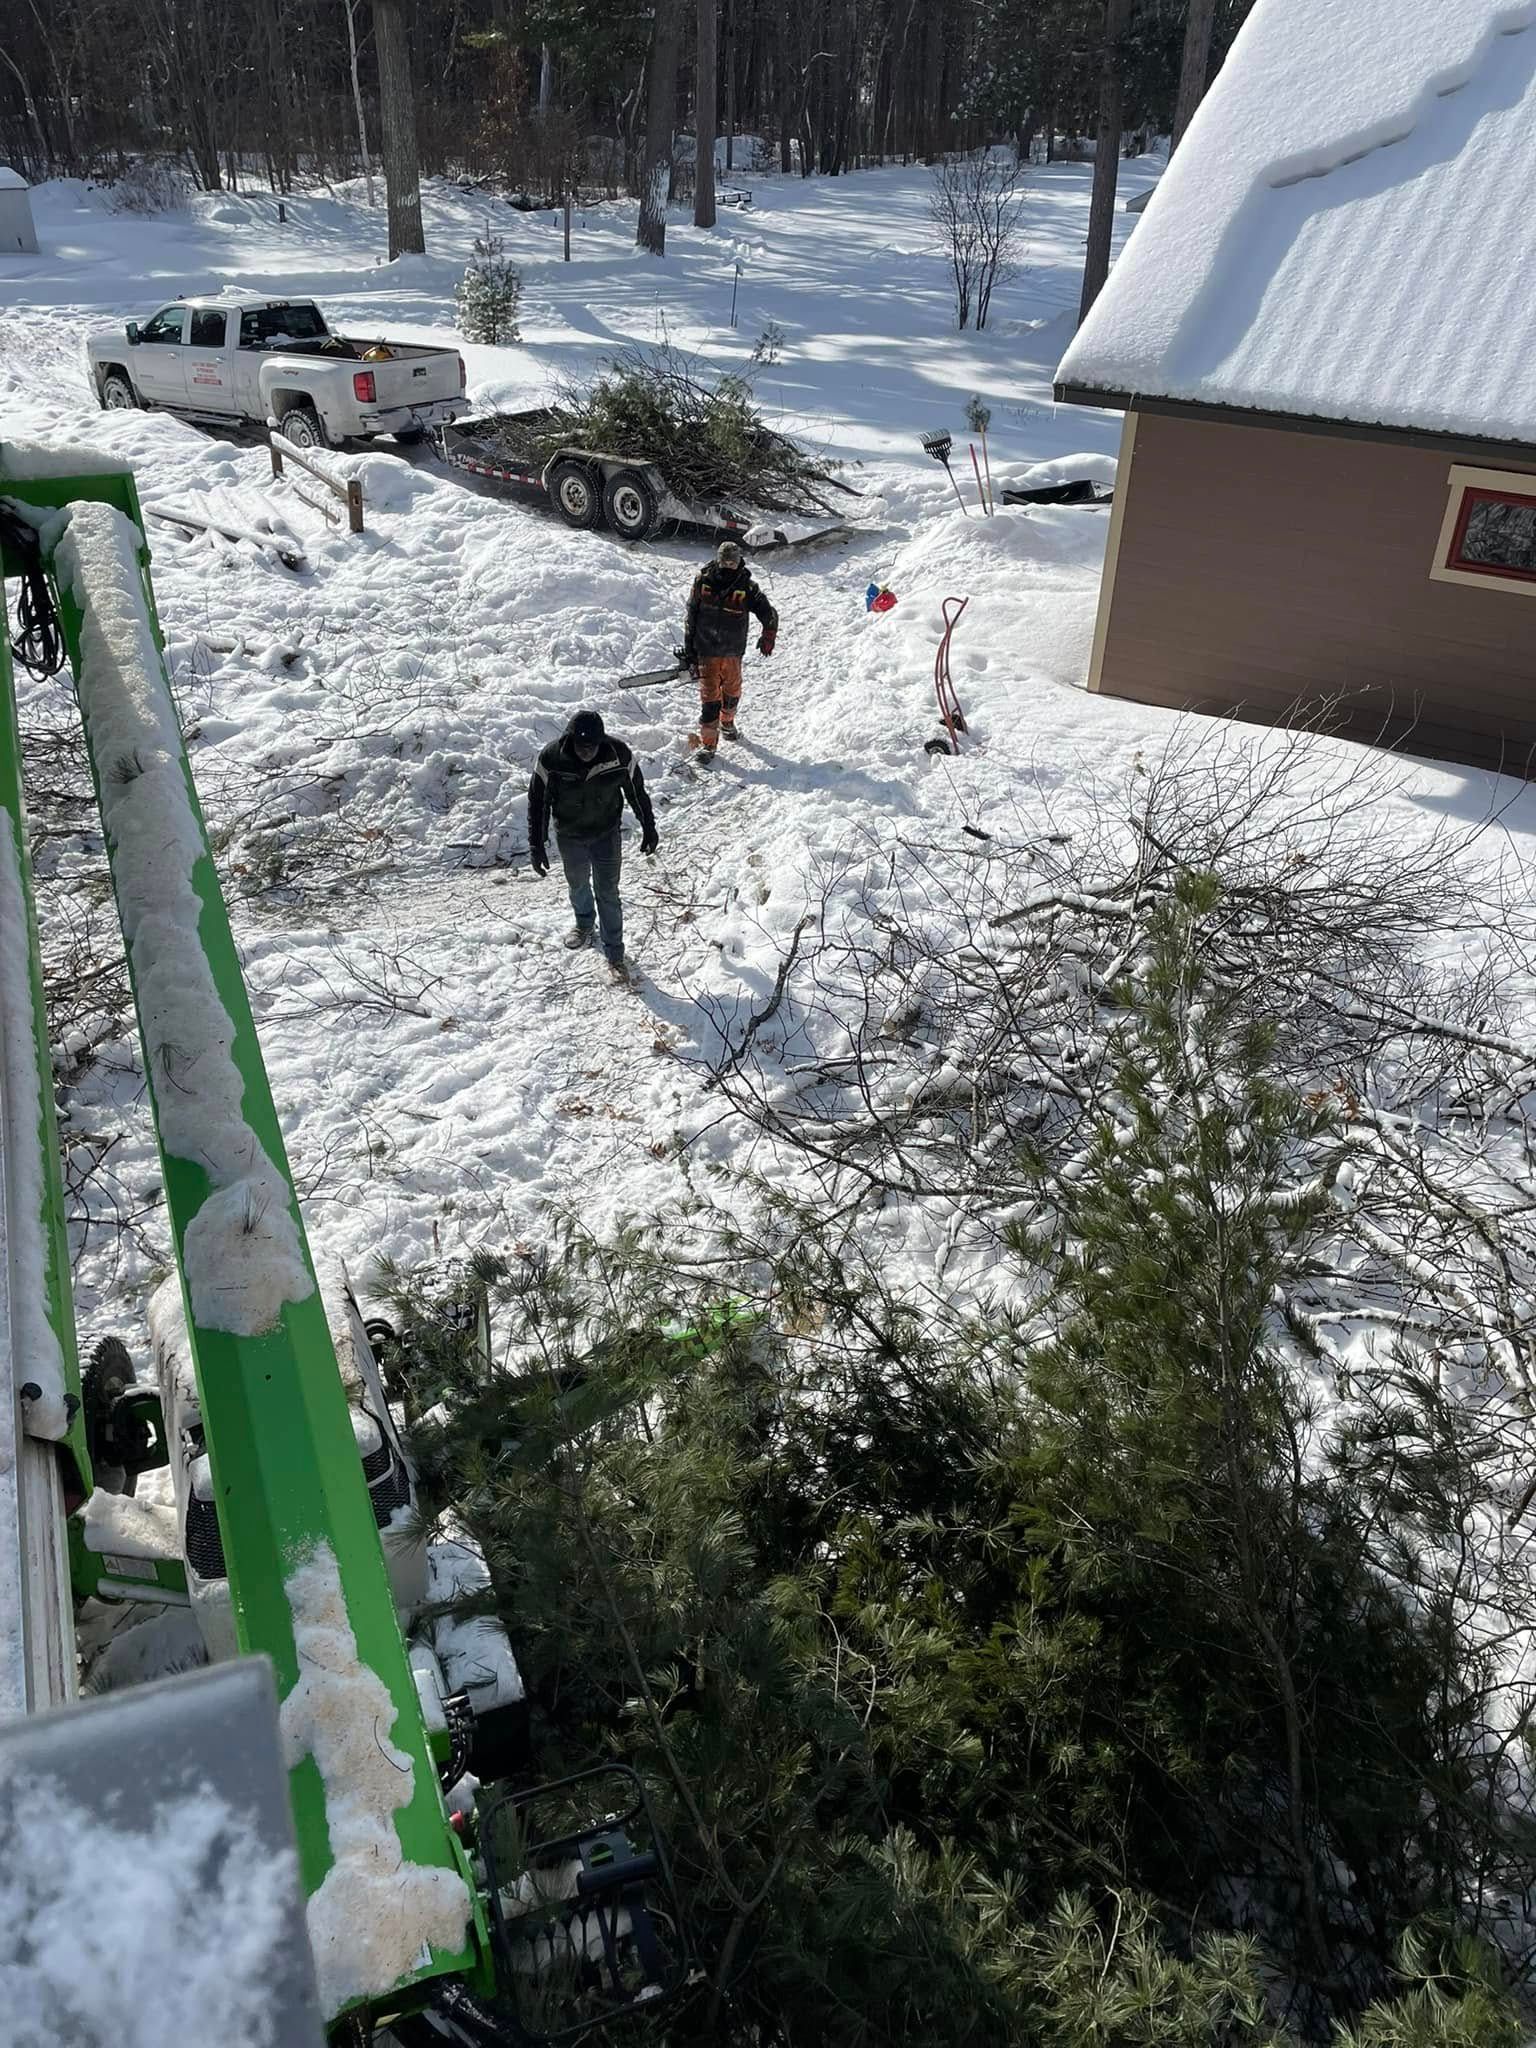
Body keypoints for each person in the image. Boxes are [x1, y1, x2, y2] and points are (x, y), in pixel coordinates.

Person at [527, 710, 658, 977]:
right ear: (569, 740)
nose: (587, 751)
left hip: (606, 834)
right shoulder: (551, 759)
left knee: (608, 891)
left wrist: (649, 826)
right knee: (577, 884)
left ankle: (615, 952)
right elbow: (538, 802)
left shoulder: (618, 755)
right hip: (570, 836)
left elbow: (637, 792)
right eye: (581, 746)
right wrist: (536, 844)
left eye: (592, 746)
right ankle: (584, 923)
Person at [679, 540, 778, 757]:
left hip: (733, 650)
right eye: (724, 563)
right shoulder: (703, 581)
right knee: (710, 700)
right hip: (706, 649)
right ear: (718, 561)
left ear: (738, 563)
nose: (727, 568)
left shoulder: (747, 587)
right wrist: (689, 647)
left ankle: (728, 722)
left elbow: (768, 611)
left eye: (732, 564)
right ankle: (708, 744)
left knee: (732, 693)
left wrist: (769, 633)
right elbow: (691, 613)